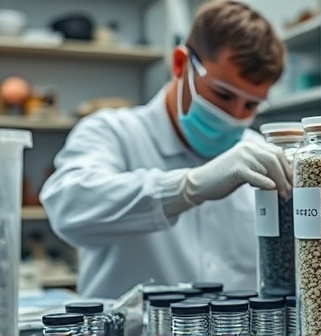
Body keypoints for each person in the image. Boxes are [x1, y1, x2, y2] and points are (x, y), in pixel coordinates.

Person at [40, 0, 290, 299]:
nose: (235, 115)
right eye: (222, 94)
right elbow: (67, 207)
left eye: (251, 105)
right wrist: (187, 188)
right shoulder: (112, 133)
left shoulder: (260, 154)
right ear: (180, 64)